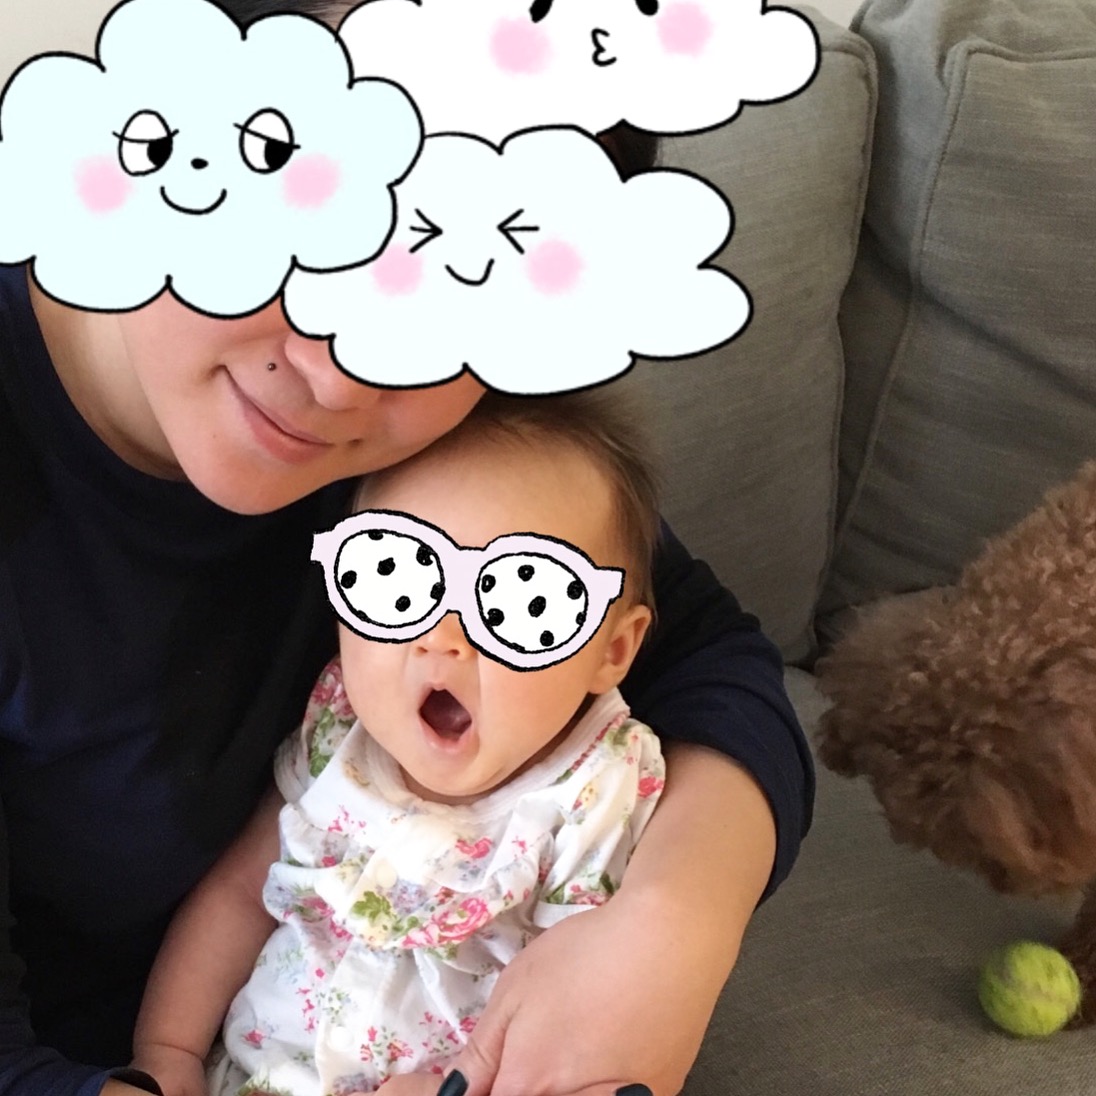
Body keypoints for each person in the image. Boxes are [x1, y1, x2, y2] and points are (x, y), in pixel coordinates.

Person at [0, 2, 814, 1095]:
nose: (339, 377)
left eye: (444, 292)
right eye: (300, 233)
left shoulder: (463, 427)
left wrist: (676, 922)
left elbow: (702, 648)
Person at [131, 391, 669, 1096]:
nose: (442, 639)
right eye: (398, 581)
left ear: (612, 650)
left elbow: (587, 1008)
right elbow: (240, 894)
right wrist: (168, 1049)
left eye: (521, 600)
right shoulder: (340, 733)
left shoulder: (593, 789)